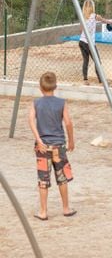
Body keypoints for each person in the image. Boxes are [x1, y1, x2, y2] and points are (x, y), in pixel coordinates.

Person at [28, 72, 76, 220]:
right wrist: (71, 140)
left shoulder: (36, 103)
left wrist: (38, 140)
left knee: (43, 179)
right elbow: (68, 123)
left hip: (43, 147)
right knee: (62, 178)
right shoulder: (61, 103)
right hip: (58, 146)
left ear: (40, 87)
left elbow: (30, 120)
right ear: (55, 86)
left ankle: (43, 212)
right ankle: (66, 208)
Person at [79, 0, 112, 85]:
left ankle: (85, 80)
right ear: (92, 7)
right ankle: (101, 81)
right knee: (97, 62)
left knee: (86, 61)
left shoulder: (82, 16)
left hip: (82, 42)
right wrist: (110, 22)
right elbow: (104, 21)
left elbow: (81, 29)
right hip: (90, 43)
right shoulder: (95, 16)